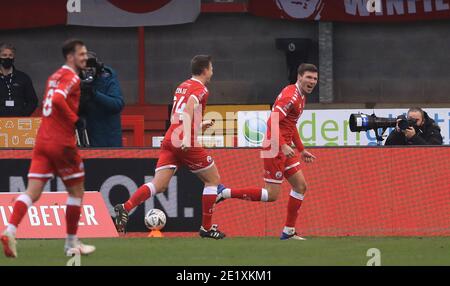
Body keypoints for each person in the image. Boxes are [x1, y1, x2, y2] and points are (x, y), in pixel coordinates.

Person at [1, 39, 96, 258]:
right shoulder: (71, 77)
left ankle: (10, 230)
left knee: (31, 192)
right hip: (61, 143)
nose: (84, 58)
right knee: (76, 191)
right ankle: (71, 243)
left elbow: (49, 98)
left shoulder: (54, 76)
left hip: (42, 140)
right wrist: (75, 120)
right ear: (70, 57)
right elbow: (58, 99)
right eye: (81, 54)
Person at [114, 55, 226, 239]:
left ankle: (125, 207)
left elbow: (179, 113)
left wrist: (200, 124)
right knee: (213, 180)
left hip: (171, 137)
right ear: (205, 70)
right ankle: (206, 228)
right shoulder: (201, 89)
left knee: (159, 185)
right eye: (211, 68)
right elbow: (189, 108)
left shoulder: (182, 85)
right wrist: (188, 137)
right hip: (184, 140)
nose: (212, 71)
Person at [215, 63, 318, 240]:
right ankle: (224, 192)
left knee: (300, 186)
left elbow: (290, 125)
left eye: (315, 79)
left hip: (284, 147)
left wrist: (301, 149)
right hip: (274, 147)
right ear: (299, 77)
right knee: (271, 195)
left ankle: (288, 231)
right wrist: (284, 145)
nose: (312, 81)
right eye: (309, 77)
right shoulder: (290, 97)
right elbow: (272, 122)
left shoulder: (300, 96)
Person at [78, 51, 124, 147]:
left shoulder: (107, 77)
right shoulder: (75, 80)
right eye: (84, 69)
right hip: (86, 138)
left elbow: (117, 104)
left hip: (108, 140)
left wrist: (94, 94)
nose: (88, 72)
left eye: (91, 68)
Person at [0, 43, 38, 117]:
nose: (8, 58)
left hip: (18, 122)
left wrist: (23, 115)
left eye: (10, 55)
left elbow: (33, 101)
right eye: (4, 55)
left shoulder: (23, 77)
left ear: (14, 57)